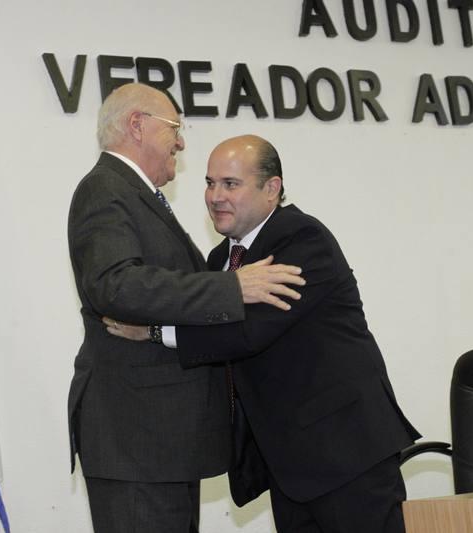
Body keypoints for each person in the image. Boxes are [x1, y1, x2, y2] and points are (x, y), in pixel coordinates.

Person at [106, 134, 421, 533]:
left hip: (346, 453)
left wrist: (154, 332)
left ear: (272, 189)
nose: (215, 196)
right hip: (288, 465)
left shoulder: (302, 238)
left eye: (230, 184)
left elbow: (248, 331)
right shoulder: (221, 260)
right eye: (210, 183)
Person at [67, 85, 305, 533]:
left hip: (159, 440)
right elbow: (114, 285)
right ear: (137, 125)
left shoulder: (133, 193)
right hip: (136, 438)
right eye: (174, 128)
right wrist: (231, 288)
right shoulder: (105, 188)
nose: (180, 142)